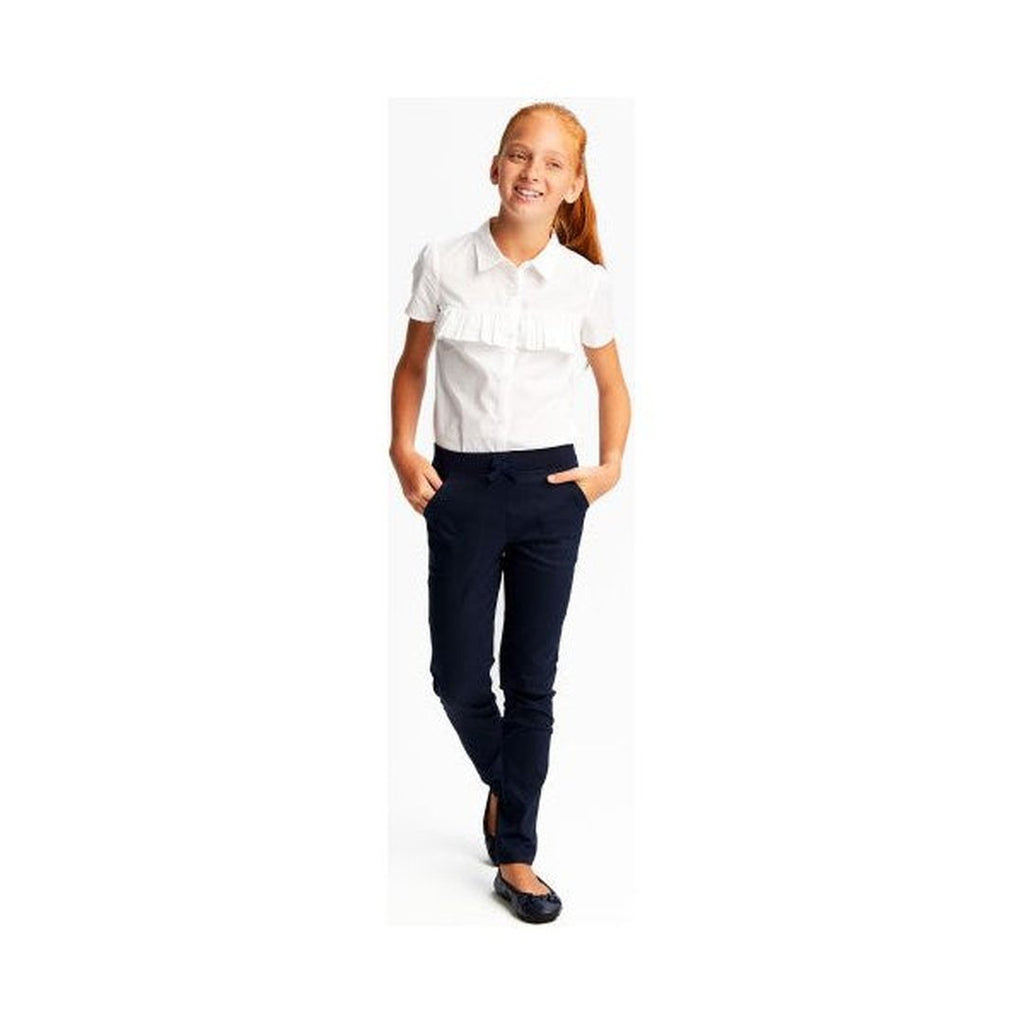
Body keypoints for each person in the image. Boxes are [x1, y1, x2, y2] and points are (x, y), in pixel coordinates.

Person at [389, 102, 631, 924]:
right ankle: (512, 786)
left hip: (549, 491)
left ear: (574, 185)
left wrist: (606, 470)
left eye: (553, 163)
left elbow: (612, 385)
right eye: (519, 155)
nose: (533, 172)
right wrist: (402, 449)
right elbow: (413, 365)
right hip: (459, 485)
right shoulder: (445, 262)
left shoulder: (585, 284)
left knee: (532, 680)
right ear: (495, 167)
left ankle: (515, 852)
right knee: (457, 677)